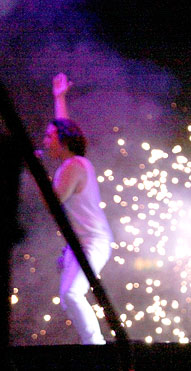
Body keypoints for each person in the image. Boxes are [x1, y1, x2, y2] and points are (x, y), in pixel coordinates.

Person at [43, 73, 113, 344]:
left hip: (93, 243)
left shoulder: (75, 166)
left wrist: (35, 170)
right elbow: (62, 128)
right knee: (67, 296)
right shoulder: (70, 164)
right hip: (80, 243)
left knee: (72, 293)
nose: (46, 141)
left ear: (63, 141)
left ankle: (95, 346)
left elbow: (53, 203)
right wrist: (59, 97)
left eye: (50, 137)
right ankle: (93, 344)